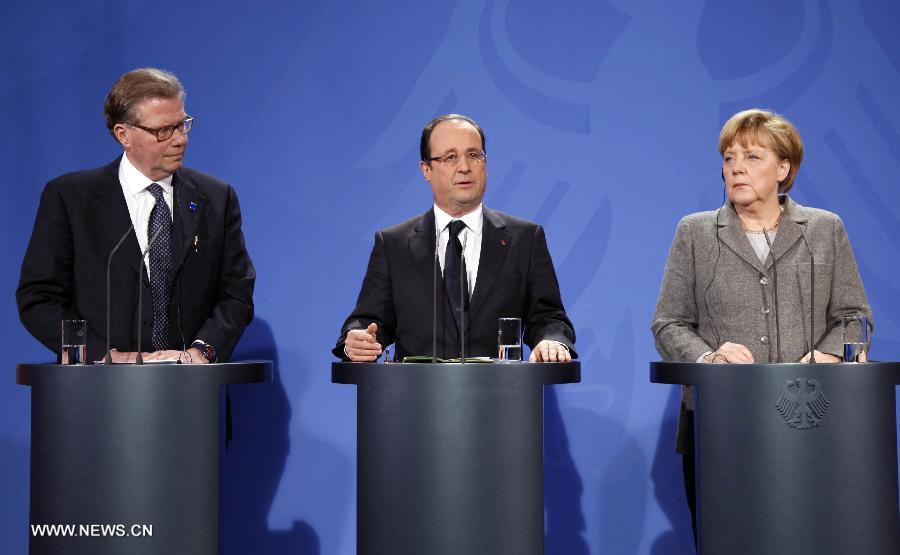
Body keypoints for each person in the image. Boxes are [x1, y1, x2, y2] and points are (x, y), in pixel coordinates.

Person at [651, 108, 872, 541]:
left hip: (812, 419)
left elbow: (854, 316)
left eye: (752, 157)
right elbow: (668, 323)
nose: (736, 168)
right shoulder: (695, 233)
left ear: (784, 167)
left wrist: (827, 353)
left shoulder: (824, 230)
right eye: (729, 158)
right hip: (721, 423)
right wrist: (708, 357)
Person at [17, 67, 255, 364]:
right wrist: (101, 355)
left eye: (182, 125)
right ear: (123, 134)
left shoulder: (216, 199)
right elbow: (40, 298)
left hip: (192, 391)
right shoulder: (72, 198)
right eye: (163, 130)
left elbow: (237, 293)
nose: (180, 140)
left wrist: (201, 351)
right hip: (97, 392)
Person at [335, 114, 575, 362]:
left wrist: (552, 341)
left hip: (501, 395)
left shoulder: (524, 239)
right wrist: (356, 341)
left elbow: (548, 317)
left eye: (473, 155)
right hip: (415, 397)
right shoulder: (393, 244)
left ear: (485, 162)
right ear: (426, 169)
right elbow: (369, 321)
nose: (464, 167)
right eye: (450, 157)